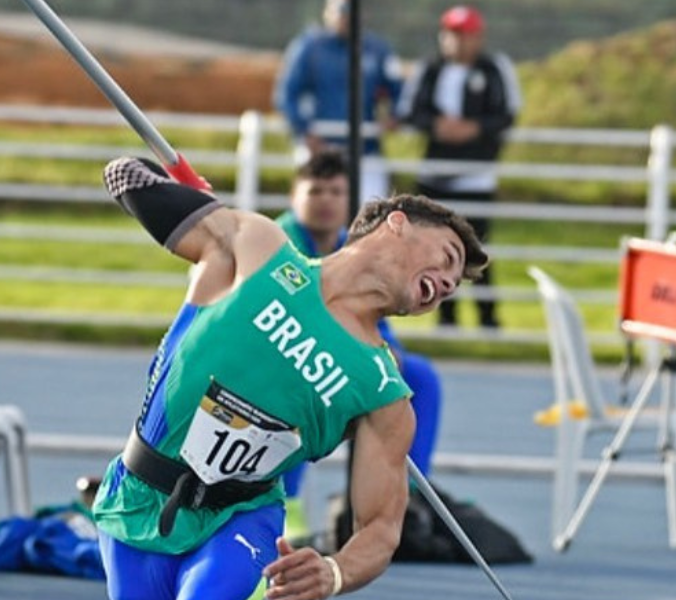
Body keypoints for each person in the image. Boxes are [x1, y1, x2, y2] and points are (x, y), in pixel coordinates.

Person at [92, 155, 487, 599]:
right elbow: (125, 175)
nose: (448, 284)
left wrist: (334, 572)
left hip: (240, 519)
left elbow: (379, 529)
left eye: (454, 284)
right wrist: (185, 192)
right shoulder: (260, 249)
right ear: (397, 223)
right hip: (136, 494)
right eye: (447, 258)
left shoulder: (384, 393)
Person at [275, 150, 445, 542]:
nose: (326, 200)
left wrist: (388, 349)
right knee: (307, 391)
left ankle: (409, 496)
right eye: (315, 190)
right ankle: (288, 502)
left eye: (336, 191)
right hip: (288, 354)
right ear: (293, 195)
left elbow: (377, 312)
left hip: (345, 358)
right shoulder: (279, 244)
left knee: (418, 376)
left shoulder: (352, 245)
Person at [396, 5, 522, 329]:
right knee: (434, 250)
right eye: (452, 35)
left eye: (465, 35)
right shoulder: (429, 69)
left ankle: (488, 319)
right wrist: (437, 126)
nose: (458, 42)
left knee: (477, 250)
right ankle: (445, 317)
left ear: (478, 38)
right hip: (435, 173)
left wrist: (474, 128)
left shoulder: (495, 69)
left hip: (476, 176)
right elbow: (410, 110)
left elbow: (507, 113)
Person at [273, 0, 404, 204]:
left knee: (372, 212)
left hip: (365, 149)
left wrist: (394, 116)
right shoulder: (309, 47)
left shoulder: (377, 49)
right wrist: (303, 130)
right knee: (314, 211)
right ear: (328, 12)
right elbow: (286, 95)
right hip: (319, 147)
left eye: (353, 11)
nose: (347, 17)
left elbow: (400, 91)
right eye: (342, 10)